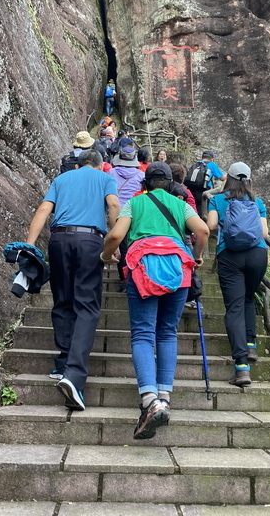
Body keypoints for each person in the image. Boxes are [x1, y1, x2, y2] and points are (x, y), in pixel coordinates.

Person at [101, 162, 209, 439]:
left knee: (142, 334)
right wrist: (197, 254)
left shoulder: (135, 204)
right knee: (167, 333)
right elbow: (204, 231)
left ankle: (150, 400)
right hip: (178, 270)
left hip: (143, 269)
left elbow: (115, 234)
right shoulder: (180, 204)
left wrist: (106, 256)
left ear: (145, 182)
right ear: (171, 182)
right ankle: (164, 396)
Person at [26, 150, 120, 410]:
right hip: (90, 240)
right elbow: (113, 205)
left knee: (62, 300)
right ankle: (74, 376)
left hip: (59, 240)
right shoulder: (104, 179)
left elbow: (44, 209)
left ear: (78, 165)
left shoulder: (62, 179)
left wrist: (30, 246)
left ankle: (63, 363)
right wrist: (115, 239)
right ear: (101, 166)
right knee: (87, 306)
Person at [206, 162, 268, 388]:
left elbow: (211, 225)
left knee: (234, 307)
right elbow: (264, 232)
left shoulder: (218, 200)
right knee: (248, 298)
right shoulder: (257, 202)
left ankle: (242, 368)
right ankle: (251, 344)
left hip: (230, 255)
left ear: (228, 179)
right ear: (248, 180)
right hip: (257, 254)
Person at [110, 138, 145, 291]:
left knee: (122, 247)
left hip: (117, 213)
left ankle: (124, 279)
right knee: (136, 245)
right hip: (135, 213)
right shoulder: (140, 175)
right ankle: (137, 277)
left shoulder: (111, 172)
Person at [186, 150, 226, 218]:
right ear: (212, 159)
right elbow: (222, 178)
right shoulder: (212, 164)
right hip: (203, 191)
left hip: (191, 190)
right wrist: (226, 175)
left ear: (202, 158)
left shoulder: (196, 164)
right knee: (202, 213)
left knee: (193, 211)